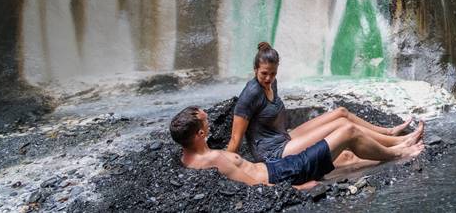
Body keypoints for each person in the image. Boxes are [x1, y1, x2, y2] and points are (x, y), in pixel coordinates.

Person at [227, 42, 419, 161]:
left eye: (273, 73)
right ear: (254, 70)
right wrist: (225, 166)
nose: (268, 78)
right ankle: (397, 144)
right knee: (345, 128)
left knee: (342, 113)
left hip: (283, 137)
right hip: (272, 153)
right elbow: (236, 139)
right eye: (264, 74)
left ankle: (388, 132)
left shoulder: (272, 83)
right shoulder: (250, 94)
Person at [170, 106, 424, 188]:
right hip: (286, 173)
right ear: (200, 134)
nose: (211, 124)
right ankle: (399, 152)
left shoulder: (189, 157)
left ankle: (396, 142)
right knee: (348, 132)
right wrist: (297, 188)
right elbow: (254, 187)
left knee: (346, 155)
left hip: (276, 166)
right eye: (206, 123)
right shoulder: (218, 159)